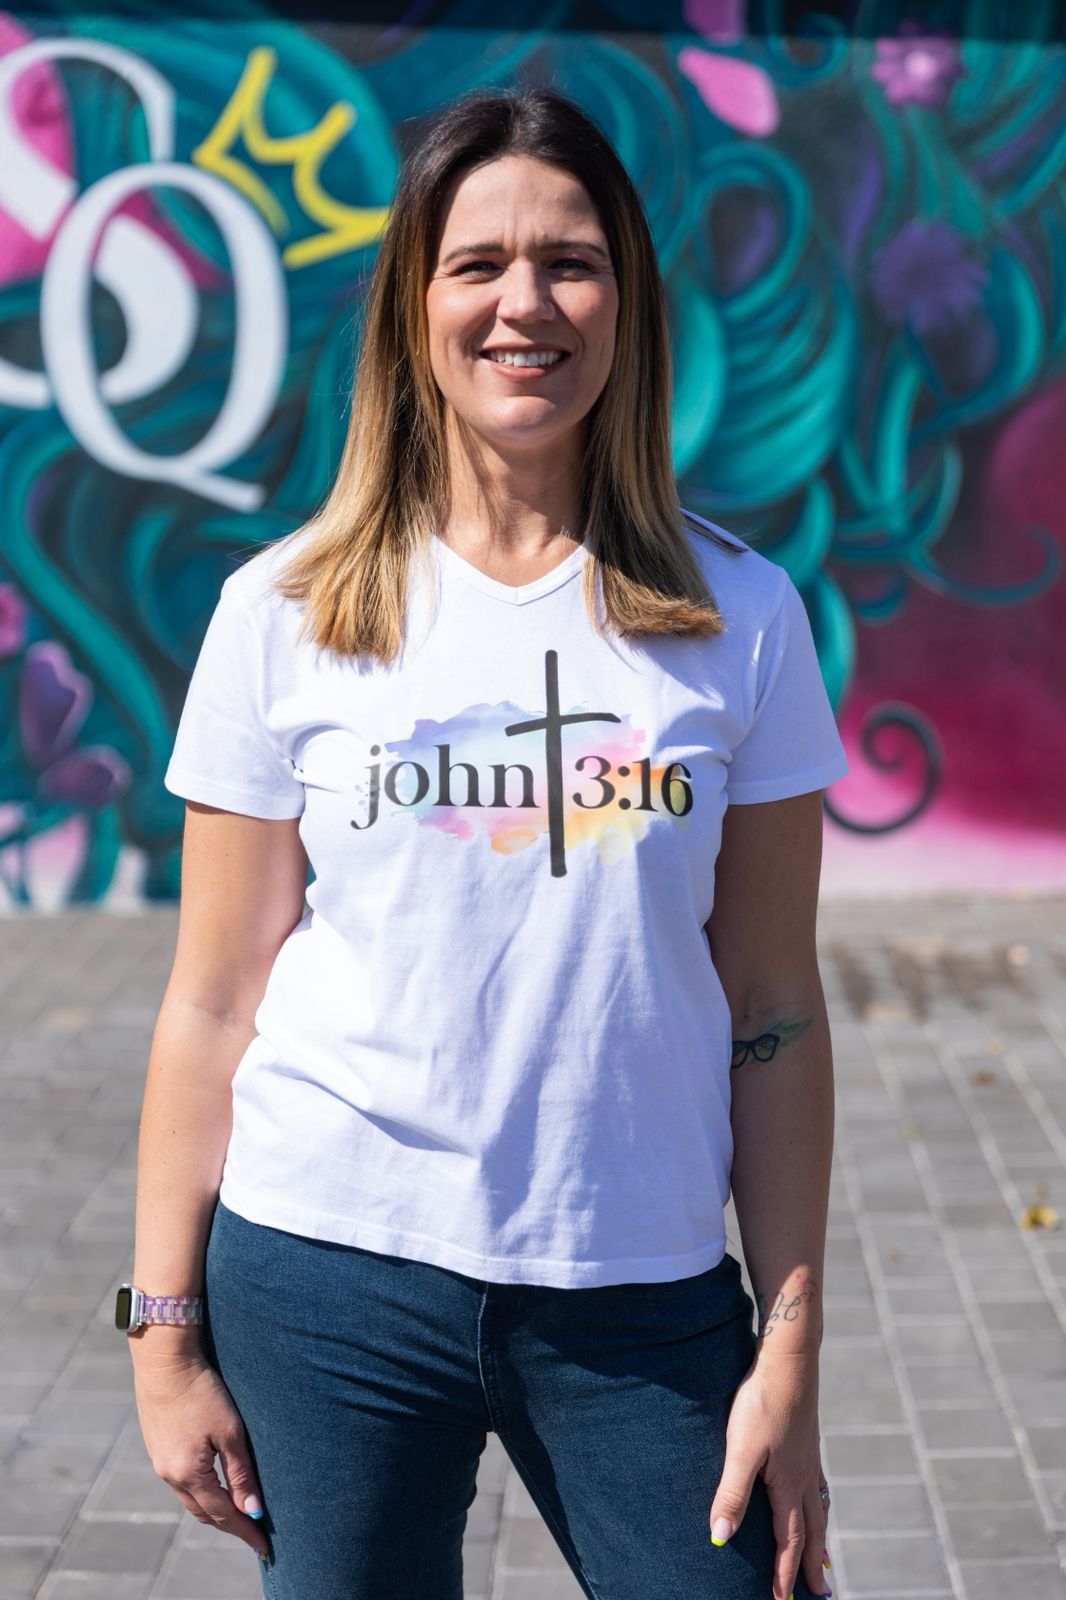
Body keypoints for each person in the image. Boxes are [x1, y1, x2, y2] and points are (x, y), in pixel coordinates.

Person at [122, 84, 845, 1600]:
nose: (527, 302)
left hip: (636, 1296)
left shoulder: (742, 619)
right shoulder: (286, 611)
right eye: (479, 263)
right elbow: (210, 1000)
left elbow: (772, 1009)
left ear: (626, 301)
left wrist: (788, 1354)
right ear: (416, 304)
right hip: (328, 1277)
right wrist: (163, 1330)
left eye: (570, 261)